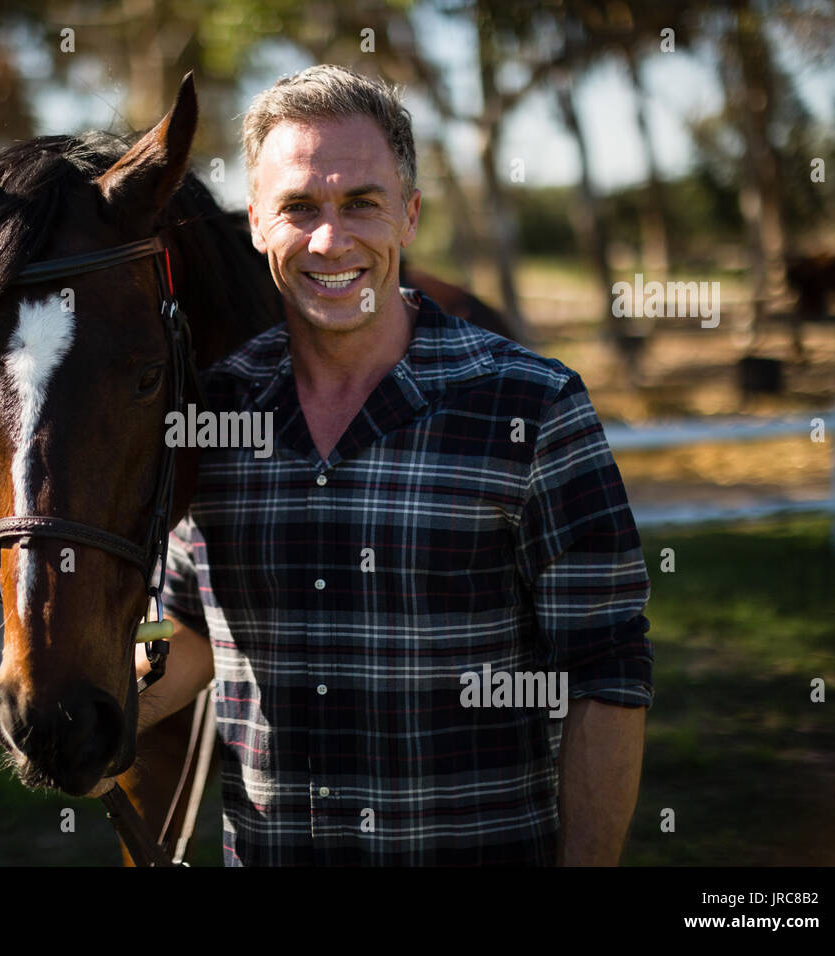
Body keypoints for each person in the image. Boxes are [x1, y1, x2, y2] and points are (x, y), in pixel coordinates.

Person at [135, 64, 654, 866]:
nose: (330, 240)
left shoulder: (534, 408)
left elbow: (607, 672)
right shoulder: (214, 415)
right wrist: (87, 702)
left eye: (362, 204)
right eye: (299, 207)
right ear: (256, 228)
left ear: (409, 217)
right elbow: (195, 637)